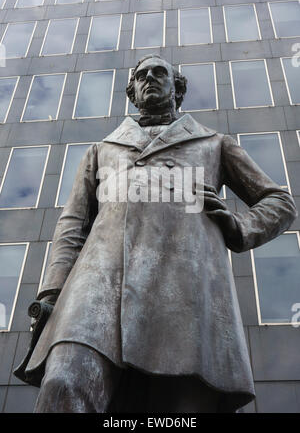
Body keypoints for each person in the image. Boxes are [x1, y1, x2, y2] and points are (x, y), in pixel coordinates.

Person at [21, 55, 297, 413]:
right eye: (141, 75)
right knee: (64, 384)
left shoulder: (213, 144)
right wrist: (53, 293)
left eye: (160, 72)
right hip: (97, 286)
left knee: (177, 408)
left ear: (177, 89)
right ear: (132, 92)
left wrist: (238, 224)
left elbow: (280, 201)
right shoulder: (101, 150)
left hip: (183, 291)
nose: (150, 77)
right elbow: (71, 226)